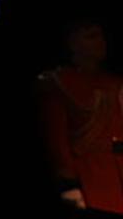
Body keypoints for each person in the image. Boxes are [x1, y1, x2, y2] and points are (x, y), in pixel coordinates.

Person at [37, 18, 123, 213]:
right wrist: (69, 184)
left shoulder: (115, 83)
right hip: (91, 178)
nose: (101, 42)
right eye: (91, 36)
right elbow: (57, 140)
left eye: (101, 36)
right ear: (72, 43)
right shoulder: (58, 83)